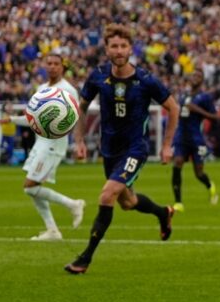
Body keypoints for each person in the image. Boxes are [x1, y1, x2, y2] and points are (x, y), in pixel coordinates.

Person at [64, 23, 180, 274]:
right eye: (114, 46)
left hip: (135, 148)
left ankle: (84, 259)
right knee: (127, 202)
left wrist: (167, 145)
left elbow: (173, 107)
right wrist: (79, 140)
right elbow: (81, 107)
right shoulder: (98, 76)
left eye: (123, 46)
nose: (118, 50)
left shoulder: (145, 80)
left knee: (107, 195)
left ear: (130, 49)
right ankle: (163, 213)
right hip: (109, 150)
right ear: (106, 49)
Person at [0, 53, 85, 240]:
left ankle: (73, 204)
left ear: (62, 67)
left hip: (53, 144)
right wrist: (12, 119)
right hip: (40, 143)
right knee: (32, 188)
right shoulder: (42, 89)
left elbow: (75, 118)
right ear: (45, 66)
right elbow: (34, 118)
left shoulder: (68, 90)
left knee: (30, 186)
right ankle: (52, 230)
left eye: (56, 64)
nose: (52, 66)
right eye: (49, 63)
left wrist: (79, 142)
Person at [171, 70, 220, 212]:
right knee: (177, 163)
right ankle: (178, 202)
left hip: (196, 138)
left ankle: (210, 186)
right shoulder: (184, 95)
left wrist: (197, 110)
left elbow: (216, 118)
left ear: (202, 80)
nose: (195, 78)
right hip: (181, 137)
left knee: (199, 173)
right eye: (193, 75)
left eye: (198, 76)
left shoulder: (205, 97)